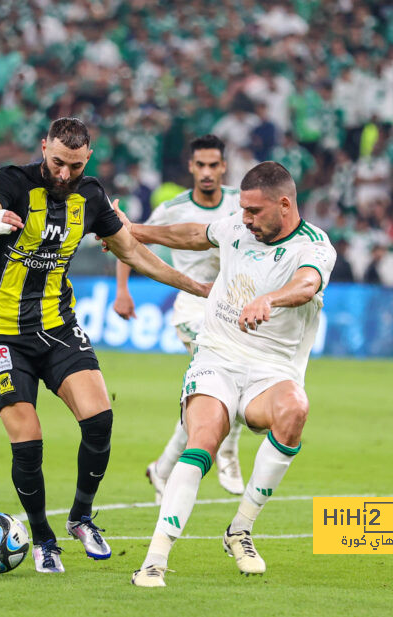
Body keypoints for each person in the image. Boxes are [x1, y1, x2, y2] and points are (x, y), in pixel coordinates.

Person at [0, 117, 209, 575]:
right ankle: (42, 538)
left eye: (74, 165)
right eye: (57, 162)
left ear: (87, 158)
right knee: (28, 436)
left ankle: (80, 516)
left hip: (57, 325)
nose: (63, 174)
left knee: (99, 419)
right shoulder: (14, 182)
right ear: (44, 148)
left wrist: (193, 285)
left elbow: (132, 250)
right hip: (1, 332)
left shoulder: (90, 195)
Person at [117, 161, 336, 587]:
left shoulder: (314, 245)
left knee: (295, 410)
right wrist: (137, 231)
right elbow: (197, 234)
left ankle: (240, 529)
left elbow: (308, 284)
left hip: (272, 370)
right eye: (243, 211)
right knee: (203, 443)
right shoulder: (238, 224)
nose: (246, 218)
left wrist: (270, 299)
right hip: (217, 355)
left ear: (285, 204)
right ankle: (154, 559)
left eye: (254, 211)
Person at [113, 134, 244, 501]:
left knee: (209, 392)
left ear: (223, 166)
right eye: (199, 165)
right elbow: (129, 241)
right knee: (228, 376)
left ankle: (163, 468)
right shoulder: (174, 208)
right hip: (192, 308)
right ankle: (228, 454)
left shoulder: (239, 203)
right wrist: (123, 290)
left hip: (233, 308)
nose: (206, 172)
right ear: (190, 167)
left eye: (213, 165)